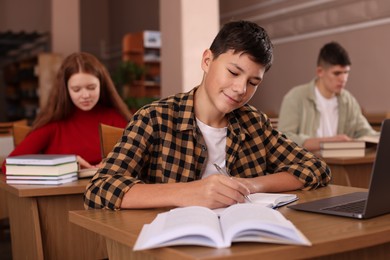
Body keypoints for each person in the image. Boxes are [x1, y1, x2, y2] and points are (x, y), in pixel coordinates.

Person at [84, 20, 331, 211]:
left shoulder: (254, 123)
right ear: (206, 60)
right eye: (234, 72)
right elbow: (100, 188)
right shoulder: (154, 118)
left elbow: (315, 168)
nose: (241, 89)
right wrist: (186, 193)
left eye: (253, 82)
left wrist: (251, 185)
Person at [2, 52, 132, 173]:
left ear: (102, 86)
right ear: (65, 90)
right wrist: (66, 164)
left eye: (91, 88)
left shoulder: (115, 118)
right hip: (60, 196)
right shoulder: (52, 124)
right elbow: (7, 166)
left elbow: (143, 160)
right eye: (76, 89)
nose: (85, 95)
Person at [278, 41, 378, 152]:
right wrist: (329, 142)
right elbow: (283, 139)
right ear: (320, 71)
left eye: (346, 72)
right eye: (337, 73)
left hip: (341, 165)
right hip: (308, 165)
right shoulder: (295, 97)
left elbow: (367, 133)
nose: (343, 79)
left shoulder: (348, 100)